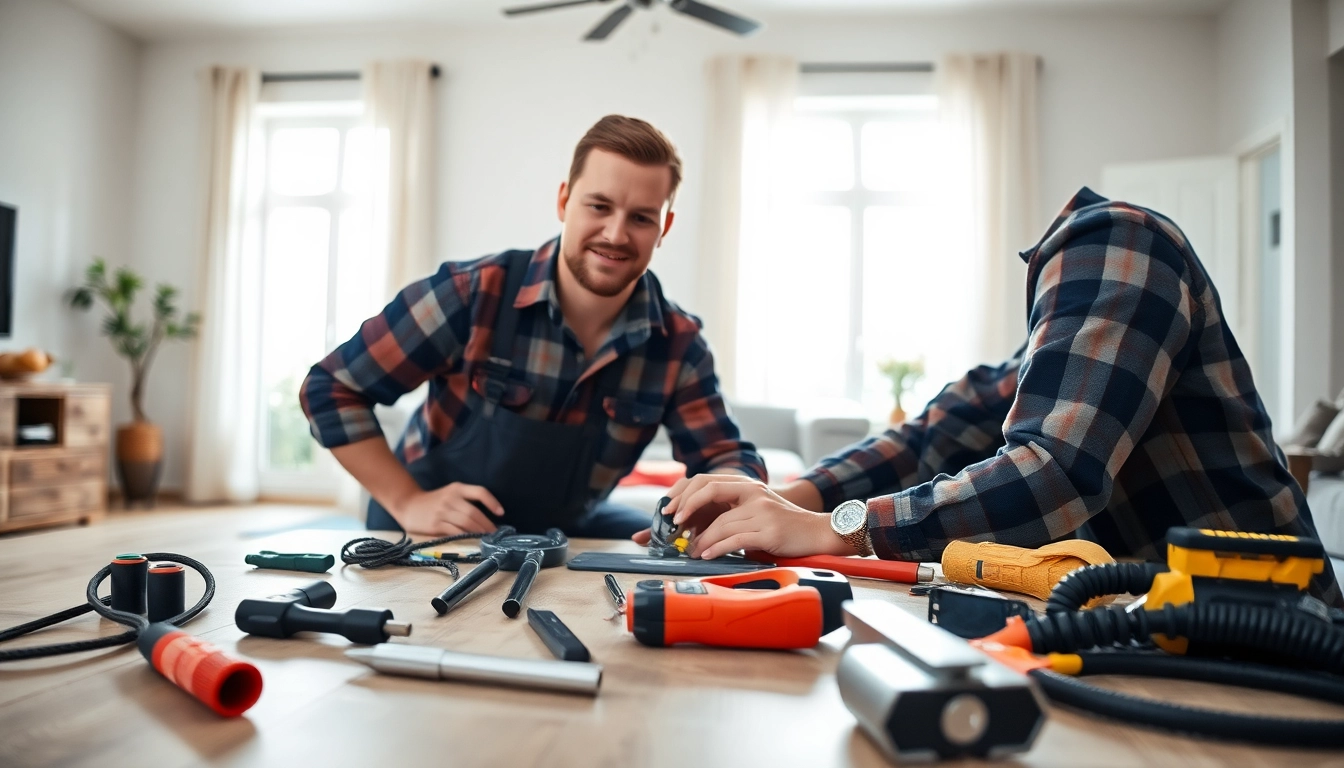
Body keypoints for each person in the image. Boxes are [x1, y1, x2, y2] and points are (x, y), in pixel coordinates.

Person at [650, 187, 1340, 604]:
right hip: (1166, 630)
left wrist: (838, 527)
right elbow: (938, 431)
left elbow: (1056, 470)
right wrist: (784, 502)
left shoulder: (1114, 240)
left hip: (1272, 639)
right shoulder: (1069, 302)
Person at [301, 115, 764, 538]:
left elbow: (726, 458)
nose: (616, 234)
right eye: (599, 206)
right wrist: (406, 501)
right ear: (564, 200)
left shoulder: (678, 344)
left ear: (665, 228)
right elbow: (330, 389)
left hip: (558, 532)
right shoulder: (472, 294)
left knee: (639, 546)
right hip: (433, 529)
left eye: (642, 218)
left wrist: (725, 495)